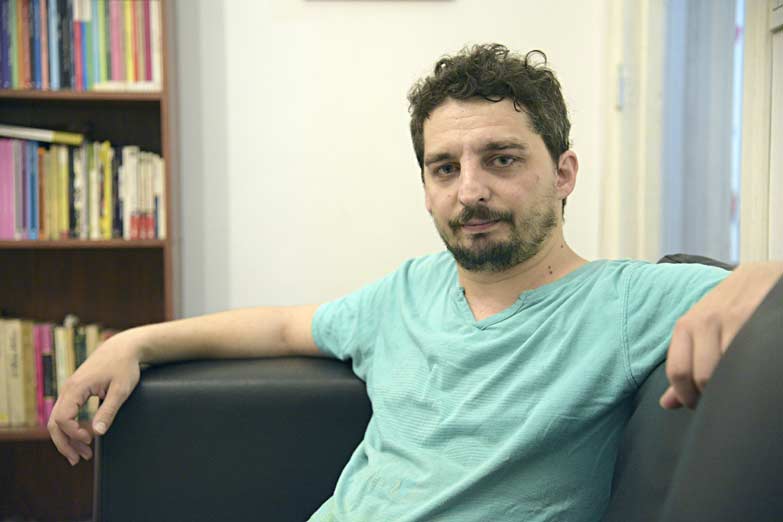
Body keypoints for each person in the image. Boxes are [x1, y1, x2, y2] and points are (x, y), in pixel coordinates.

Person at [49, 44, 782, 521]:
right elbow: (280, 326)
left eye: (501, 159)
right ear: (426, 187)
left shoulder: (622, 301)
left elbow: (766, 294)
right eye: (445, 168)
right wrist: (133, 344)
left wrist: (761, 275)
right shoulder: (405, 293)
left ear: (563, 173)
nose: (470, 191)